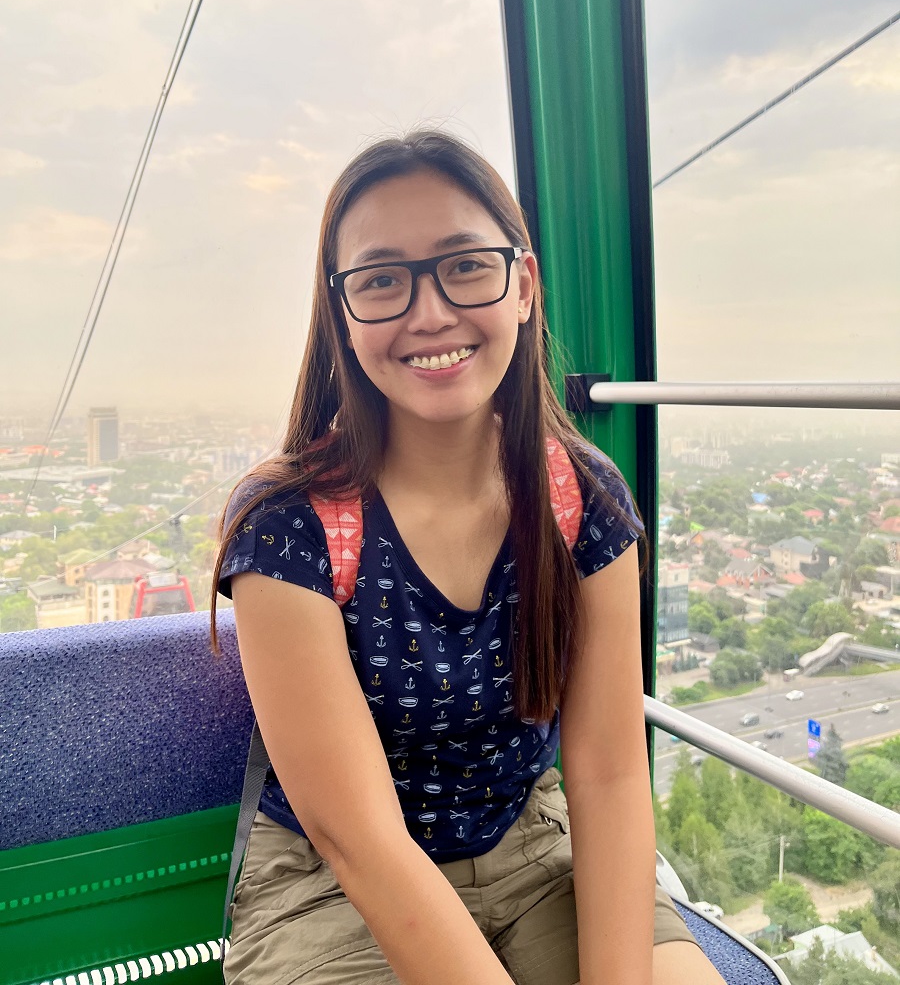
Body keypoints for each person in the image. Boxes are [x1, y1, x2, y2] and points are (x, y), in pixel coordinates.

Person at [210, 130, 725, 985]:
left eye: (465, 265)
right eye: (381, 280)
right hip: (332, 891)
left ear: (522, 285)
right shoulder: (289, 524)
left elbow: (604, 772)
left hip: (533, 845)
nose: (430, 313)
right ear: (342, 311)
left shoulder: (582, 502)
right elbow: (358, 836)